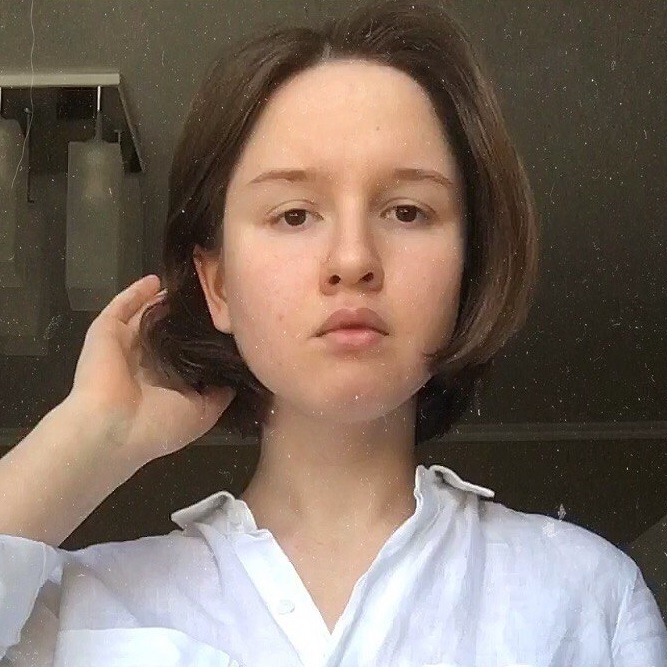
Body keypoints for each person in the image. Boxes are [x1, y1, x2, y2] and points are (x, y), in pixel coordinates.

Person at [1, 0, 665, 664]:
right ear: (218, 286)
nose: (352, 259)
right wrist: (93, 433)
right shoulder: (74, 616)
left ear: (466, 271)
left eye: (407, 211)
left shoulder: (586, 600)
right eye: (293, 215)